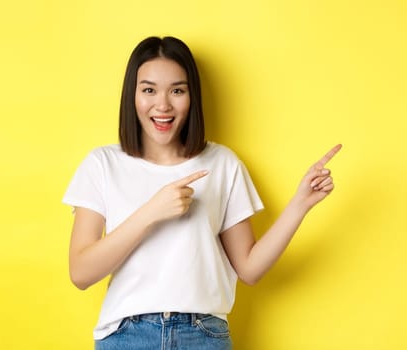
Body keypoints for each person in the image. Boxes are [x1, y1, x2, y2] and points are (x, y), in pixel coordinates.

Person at [62, 36, 341, 350]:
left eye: (177, 90)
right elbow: (81, 272)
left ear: (192, 97)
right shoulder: (102, 164)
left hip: (203, 336)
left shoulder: (222, 164)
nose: (163, 104)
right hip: (127, 336)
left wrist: (299, 205)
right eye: (149, 90)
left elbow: (249, 268)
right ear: (133, 95)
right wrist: (151, 212)